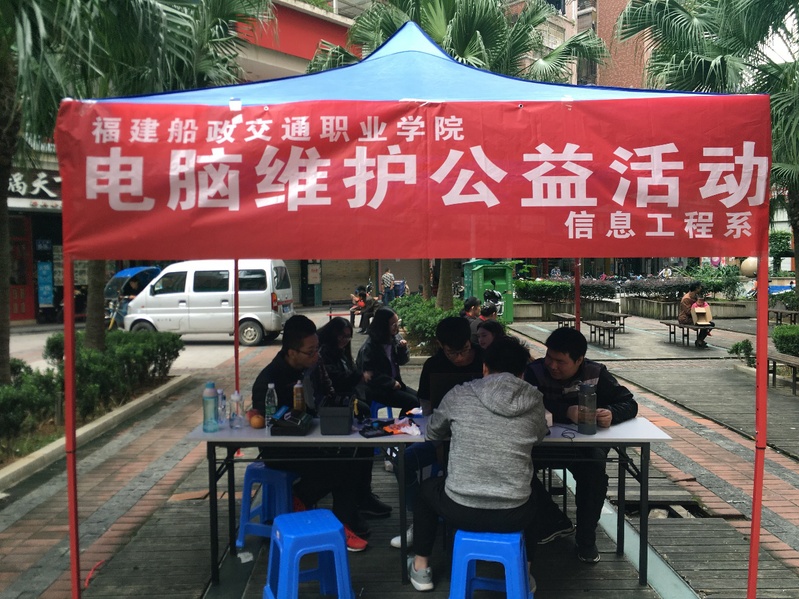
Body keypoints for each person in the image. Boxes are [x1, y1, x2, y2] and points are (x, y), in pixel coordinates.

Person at [408, 336, 549, 592]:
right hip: (513, 514)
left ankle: (421, 567)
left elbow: (433, 433)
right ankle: (524, 574)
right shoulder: (534, 400)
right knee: (535, 495)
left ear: (484, 367)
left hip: (459, 509)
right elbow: (539, 435)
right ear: (522, 373)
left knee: (426, 491)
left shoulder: (459, 394)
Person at [250, 315, 370, 551]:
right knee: (342, 467)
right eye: (310, 351)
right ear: (291, 352)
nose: (316, 355)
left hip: (309, 438)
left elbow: (322, 398)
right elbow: (268, 426)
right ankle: (329, 519)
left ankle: (345, 516)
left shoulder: (308, 367)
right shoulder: (269, 381)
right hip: (281, 450)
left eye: (317, 348)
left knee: (355, 455)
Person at [524, 327, 638, 564]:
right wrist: (566, 411)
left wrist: (612, 414)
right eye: (549, 357)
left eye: (560, 361)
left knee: (594, 473)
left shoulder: (596, 373)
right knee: (517, 468)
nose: (552, 365)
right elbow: (526, 404)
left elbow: (629, 403)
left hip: (585, 447)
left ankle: (586, 539)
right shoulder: (534, 372)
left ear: (579, 360)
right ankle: (553, 520)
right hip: (541, 445)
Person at [390, 316, 484, 548]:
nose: (459, 358)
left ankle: (473, 522)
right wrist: (439, 442)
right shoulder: (433, 365)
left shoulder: (486, 360)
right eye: (452, 352)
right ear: (440, 345)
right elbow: (428, 408)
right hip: (442, 437)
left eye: (464, 350)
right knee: (403, 462)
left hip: (481, 443)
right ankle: (420, 519)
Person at [317, 317, 392, 521]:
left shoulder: (339, 352)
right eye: (341, 336)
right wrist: (358, 378)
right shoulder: (323, 354)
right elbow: (335, 381)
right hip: (332, 412)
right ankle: (356, 504)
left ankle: (363, 495)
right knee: (351, 456)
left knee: (365, 437)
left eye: (348, 337)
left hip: (345, 403)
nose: (344, 340)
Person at [356, 308, 419, 413]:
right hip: (378, 389)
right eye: (393, 325)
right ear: (383, 326)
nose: (396, 327)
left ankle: (404, 421)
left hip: (395, 384)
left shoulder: (394, 338)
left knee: (420, 398)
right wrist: (390, 382)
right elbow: (369, 375)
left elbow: (402, 361)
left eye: (397, 323)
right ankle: (402, 422)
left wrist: (402, 349)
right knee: (412, 402)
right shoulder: (369, 347)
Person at [679, 281, 713, 347]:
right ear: (696, 288)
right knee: (704, 324)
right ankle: (700, 341)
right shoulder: (686, 298)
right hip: (685, 318)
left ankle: (700, 340)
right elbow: (688, 312)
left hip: (695, 317)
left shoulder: (696, 296)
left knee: (710, 324)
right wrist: (699, 311)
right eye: (700, 287)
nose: (701, 288)